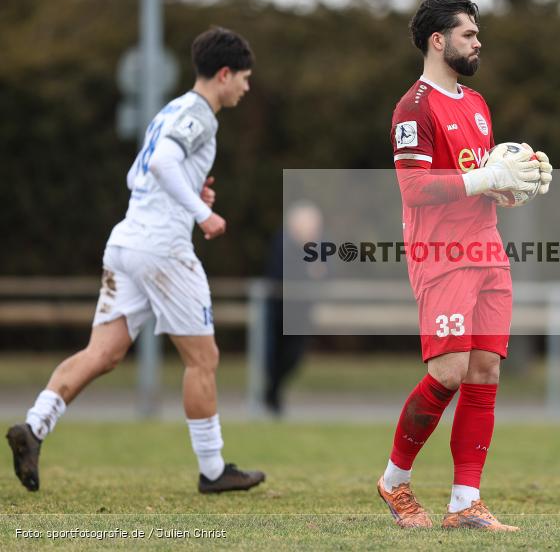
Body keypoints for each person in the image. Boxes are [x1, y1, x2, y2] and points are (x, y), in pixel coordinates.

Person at [6, 27, 265, 494]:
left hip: (126, 243)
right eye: (243, 78)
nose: (246, 87)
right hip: (163, 250)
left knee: (102, 354)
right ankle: (213, 471)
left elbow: (141, 171)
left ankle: (35, 425)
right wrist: (202, 211)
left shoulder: (168, 110)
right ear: (223, 74)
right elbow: (164, 163)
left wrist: (190, 187)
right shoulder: (201, 115)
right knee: (203, 359)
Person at [376, 0, 551, 531]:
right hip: (441, 256)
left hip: (487, 250)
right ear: (438, 40)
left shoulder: (477, 105)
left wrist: (514, 184)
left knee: (485, 371)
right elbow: (416, 189)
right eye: (468, 34)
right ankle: (394, 480)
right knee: (448, 372)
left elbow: (482, 182)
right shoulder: (414, 108)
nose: (478, 42)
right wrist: (486, 179)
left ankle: (464, 503)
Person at [263, 201, 325, 416]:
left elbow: (325, 273)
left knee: (294, 357)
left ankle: (272, 392)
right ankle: (271, 397)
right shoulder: (282, 242)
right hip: (278, 312)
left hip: (302, 313)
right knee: (272, 357)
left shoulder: (319, 246)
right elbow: (281, 274)